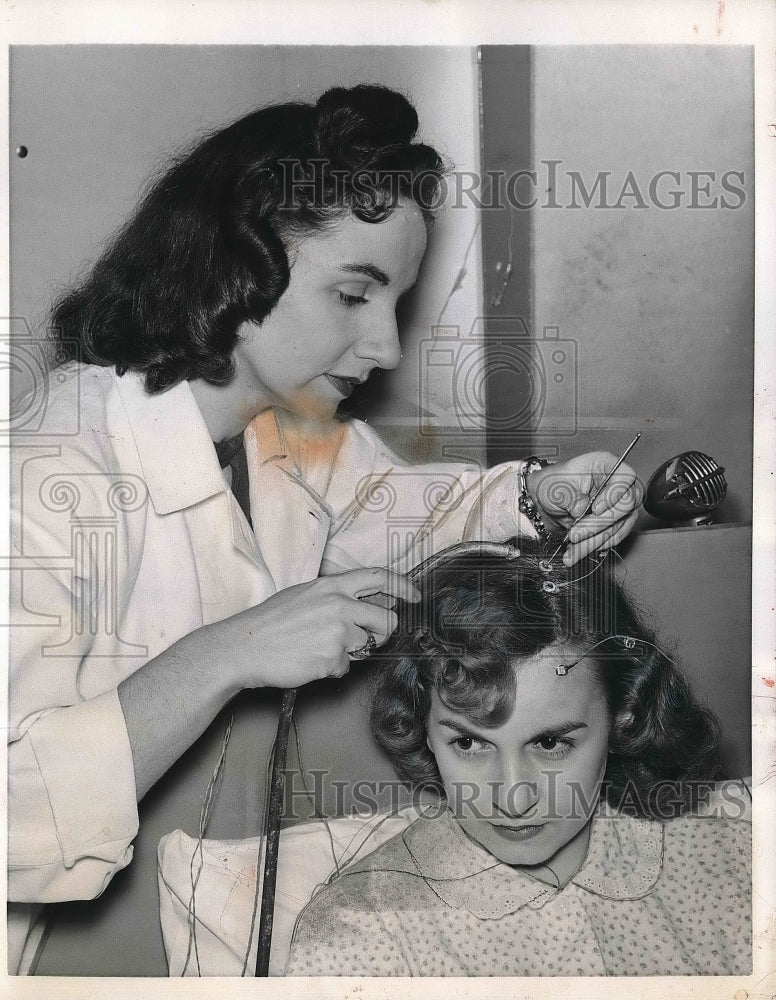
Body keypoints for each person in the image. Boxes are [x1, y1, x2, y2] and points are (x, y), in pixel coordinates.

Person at [8, 85, 640, 973]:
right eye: (353, 294)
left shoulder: (279, 432)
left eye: (395, 302)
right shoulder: (39, 480)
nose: (384, 346)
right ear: (237, 271)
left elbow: (403, 508)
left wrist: (541, 499)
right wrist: (224, 654)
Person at [286, 540, 751, 976]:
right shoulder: (358, 935)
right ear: (423, 728)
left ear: (622, 717)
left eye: (550, 744)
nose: (512, 796)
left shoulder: (736, 861)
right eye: (469, 744)